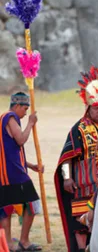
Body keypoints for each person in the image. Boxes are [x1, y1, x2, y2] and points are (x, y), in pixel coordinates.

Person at [55, 67, 98, 252]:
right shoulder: (78, 129)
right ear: (89, 108)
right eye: (96, 108)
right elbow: (66, 157)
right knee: (82, 220)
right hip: (84, 183)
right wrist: (67, 178)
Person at [0, 93, 43, 252]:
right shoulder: (10, 117)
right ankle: (23, 241)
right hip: (13, 174)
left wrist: (31, 166)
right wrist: (31, 124)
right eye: (25, 109)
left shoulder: (2, 118)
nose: (26, 113)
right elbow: (21, 140)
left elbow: (8, 152)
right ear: (16, 106)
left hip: (5, 173)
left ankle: (7, 245)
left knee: (6, 208)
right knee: (32, 204)